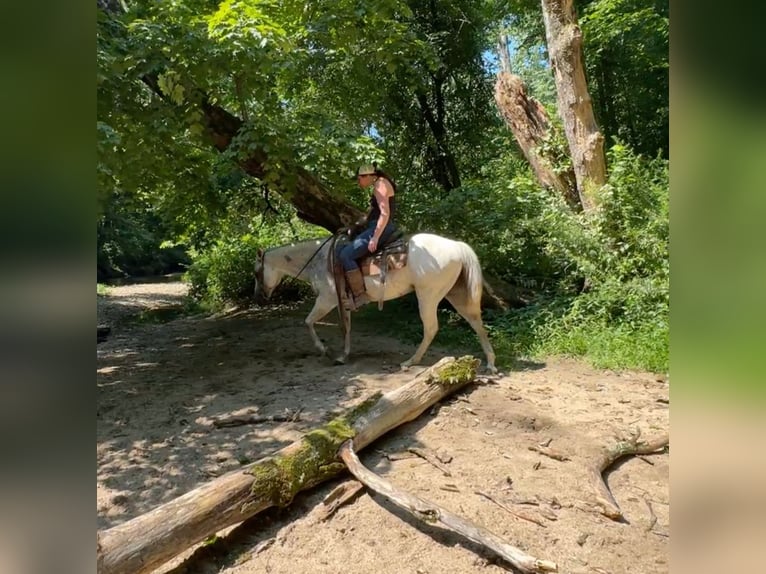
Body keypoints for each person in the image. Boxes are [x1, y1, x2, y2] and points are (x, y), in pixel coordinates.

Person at [338, 163, 399, 310]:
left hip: (381, 228)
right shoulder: (380, 183)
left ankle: (360, 295)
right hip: (378, 226)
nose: (359, 182)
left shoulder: (380, 186)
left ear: (368, 176)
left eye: (359, 179)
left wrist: (375, 237)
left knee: (346, 255)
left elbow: (385, 214)